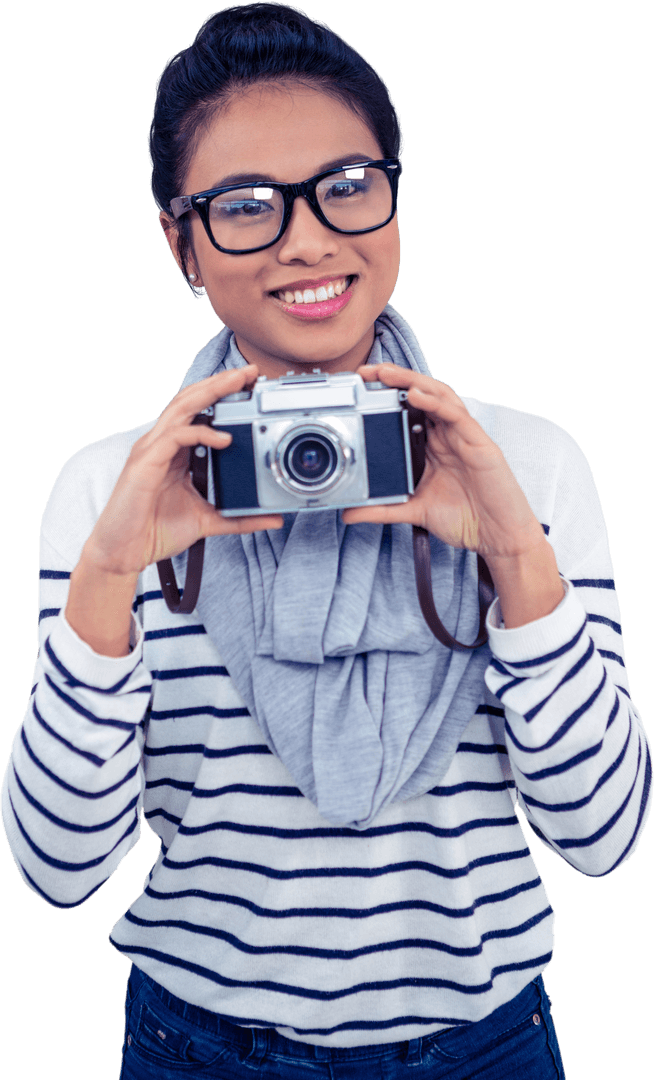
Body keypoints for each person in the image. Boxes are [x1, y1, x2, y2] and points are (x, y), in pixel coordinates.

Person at [2, 4, 650, 1078]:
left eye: (347, 184)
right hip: (195, 1047)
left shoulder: (527, 462)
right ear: (182, 242)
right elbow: (60, 871)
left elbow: (606, 839)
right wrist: (111, 575)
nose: (309, 236)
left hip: (484, 1045)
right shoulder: (113, 488)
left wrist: (513, 557)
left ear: (394, 200)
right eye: (244, 206)